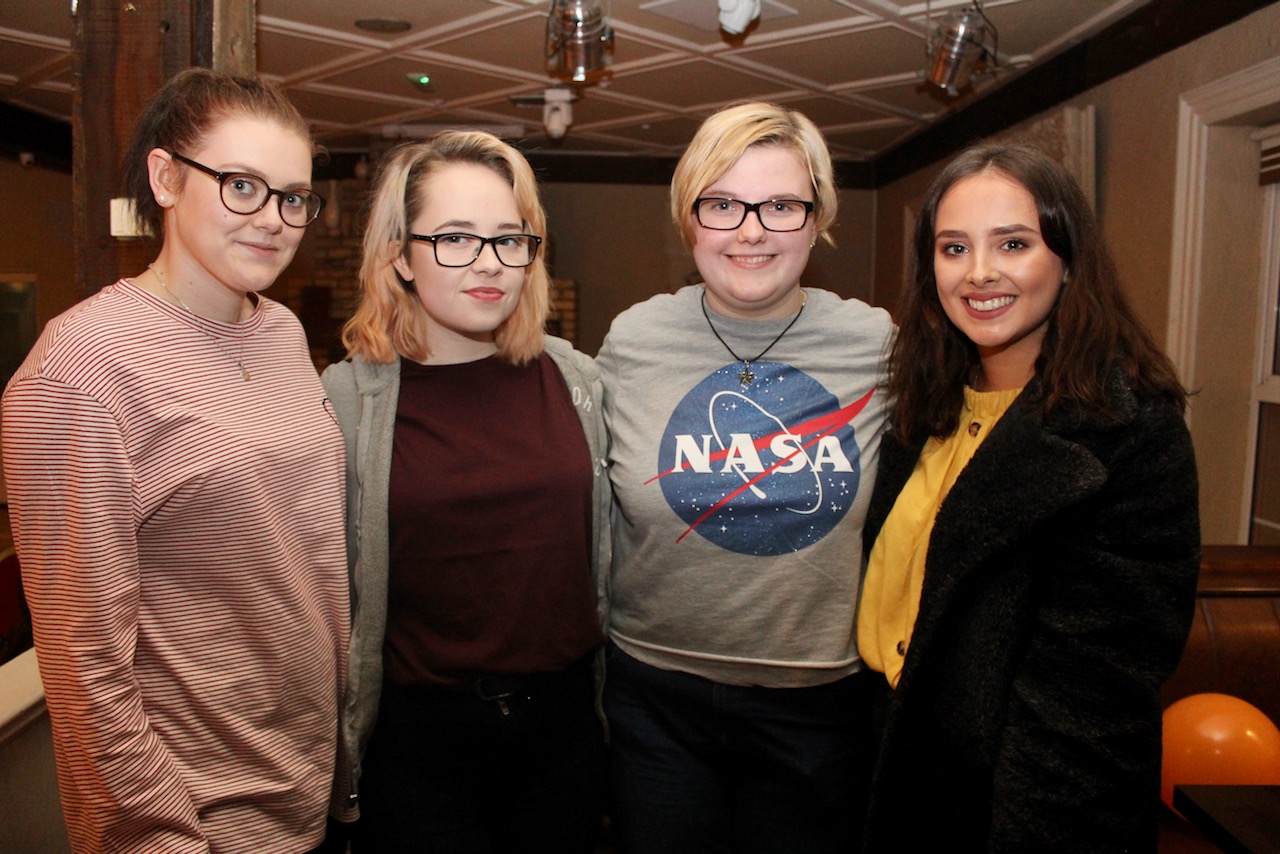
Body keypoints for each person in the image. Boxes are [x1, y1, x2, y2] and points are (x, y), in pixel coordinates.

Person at [0, 68, 351, 852]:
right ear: (165, 178)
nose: (274, 220)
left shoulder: (280, 331)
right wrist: (155, 837)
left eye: (292, 197)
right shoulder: (79, 370)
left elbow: (301, 559)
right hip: (198, 817)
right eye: (241, 186)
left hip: (303, 784)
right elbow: (84, 660)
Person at [856, 142, 1200, 852]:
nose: (979, 272)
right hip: (888, 768)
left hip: (1012, 809)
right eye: (954, 248)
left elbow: (1088, 713)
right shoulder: (925, 405)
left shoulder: (1127, 432)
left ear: (1069, 258)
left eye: (1013, 243)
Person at [595, 102, 894, 853]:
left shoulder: (879, 344)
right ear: (687, 217)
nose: (751, 229)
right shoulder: (632, 340)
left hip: (819, 710)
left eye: (781, 205)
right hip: (655, 702)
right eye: (722, 204)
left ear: (819, 216)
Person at [321, 131, 610, 853]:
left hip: (565, 733)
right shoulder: (345, 400)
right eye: (455, 238)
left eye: (510, 240)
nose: (489, 264)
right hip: (420, 743)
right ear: (399, 256)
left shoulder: (578, 381)